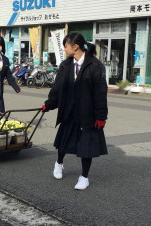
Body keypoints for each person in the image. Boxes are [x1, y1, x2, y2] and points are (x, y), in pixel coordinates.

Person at [41, 32, 108, 190]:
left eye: (66, 46)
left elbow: (100, 94)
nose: (65, 49)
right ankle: (59, 163)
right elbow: (57, 89)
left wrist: (101, 116)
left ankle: (84, 177)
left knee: (87, 148)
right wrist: (49, 104)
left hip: (87, 115)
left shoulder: (96, 66)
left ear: (75, 46)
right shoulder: (65, 65)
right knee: (62, 143)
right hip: (68, 111)